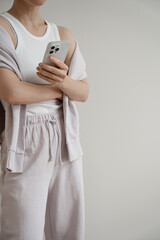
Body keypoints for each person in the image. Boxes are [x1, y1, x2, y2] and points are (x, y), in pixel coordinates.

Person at [0, 0, 89, 239]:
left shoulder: (62, 34)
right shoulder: (4, 30)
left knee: (69, 229)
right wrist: (62, 89)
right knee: (22, 230)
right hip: (24, 139)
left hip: (65, 138)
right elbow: (12, 93)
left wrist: (65, 84)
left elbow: (83, 92)